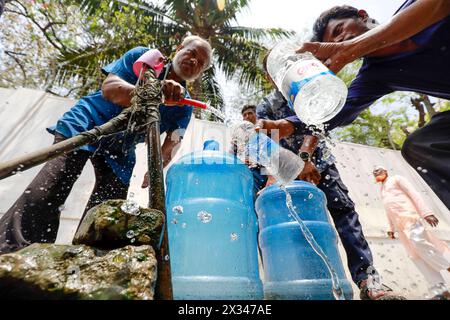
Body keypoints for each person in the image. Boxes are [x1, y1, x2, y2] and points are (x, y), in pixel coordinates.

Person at [0, 35, 212, 254]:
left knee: (109, 213)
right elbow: (110, 88)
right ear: (178, 48)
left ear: (200, 74)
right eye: (192, 52)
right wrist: (151, 91)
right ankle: (15, 251)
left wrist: (156, 168)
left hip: (121, 148)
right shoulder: (146, 59)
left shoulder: (184, 105)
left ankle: (87, 259)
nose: (194, 61)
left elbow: (172, 142)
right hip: (85, 123)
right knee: (54, 184)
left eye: (201, 63)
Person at [253, 56, 404, 300]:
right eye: (275, 70)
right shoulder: (266, 106)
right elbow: (266, 141)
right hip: (288, 173)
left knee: (344, 213)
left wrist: (305, 158)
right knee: (293, 228)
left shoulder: (310, 90)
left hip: (320, 165)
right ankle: (303, 287)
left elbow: (318, 125)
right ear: (270, 77)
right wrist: (274, 176)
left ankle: (368, 280)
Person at [294, 0, 450, 209]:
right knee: (422, 145)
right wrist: (287, 125)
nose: (340, 40)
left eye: (339, 29)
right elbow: (331, 114)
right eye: (334, 41)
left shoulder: (415, 8)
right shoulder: (375, 75)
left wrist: (351, 48)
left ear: (362, 15)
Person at [372, 166, 450, 300]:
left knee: (419, 242)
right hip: (400, 227)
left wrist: (427, 213)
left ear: (386, 171)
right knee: (416, 257)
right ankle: (441, 292)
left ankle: (448, 266)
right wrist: (391, 229)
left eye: (378, 170)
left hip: (411, 218)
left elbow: (414, 194)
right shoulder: (382, 189)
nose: (375, 172)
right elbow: (388, 209)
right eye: (373, 172)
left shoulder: (397, 179)